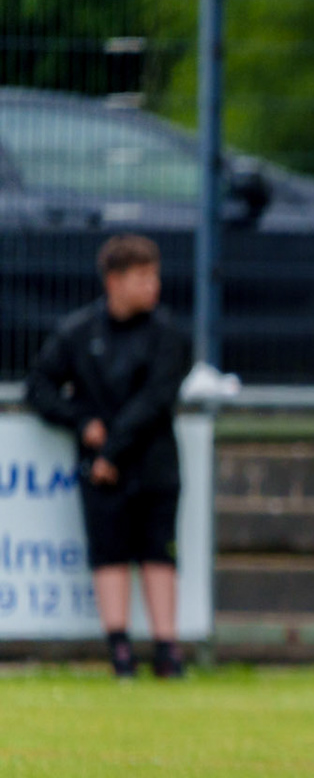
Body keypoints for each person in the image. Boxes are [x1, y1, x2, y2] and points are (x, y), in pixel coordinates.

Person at [25, 235, 191, 679]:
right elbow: (38, 387)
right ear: (113, 281)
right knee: (109, 553)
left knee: (159, 552)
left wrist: (111, 449)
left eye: (155, 275)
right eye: (142, 276)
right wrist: (81, 422)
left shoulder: (168, 333)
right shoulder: (78, 332)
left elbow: (156, 400)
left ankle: (166, 649)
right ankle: (119, 651)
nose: (152, 285)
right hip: (100, 471)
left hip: (152, 462)